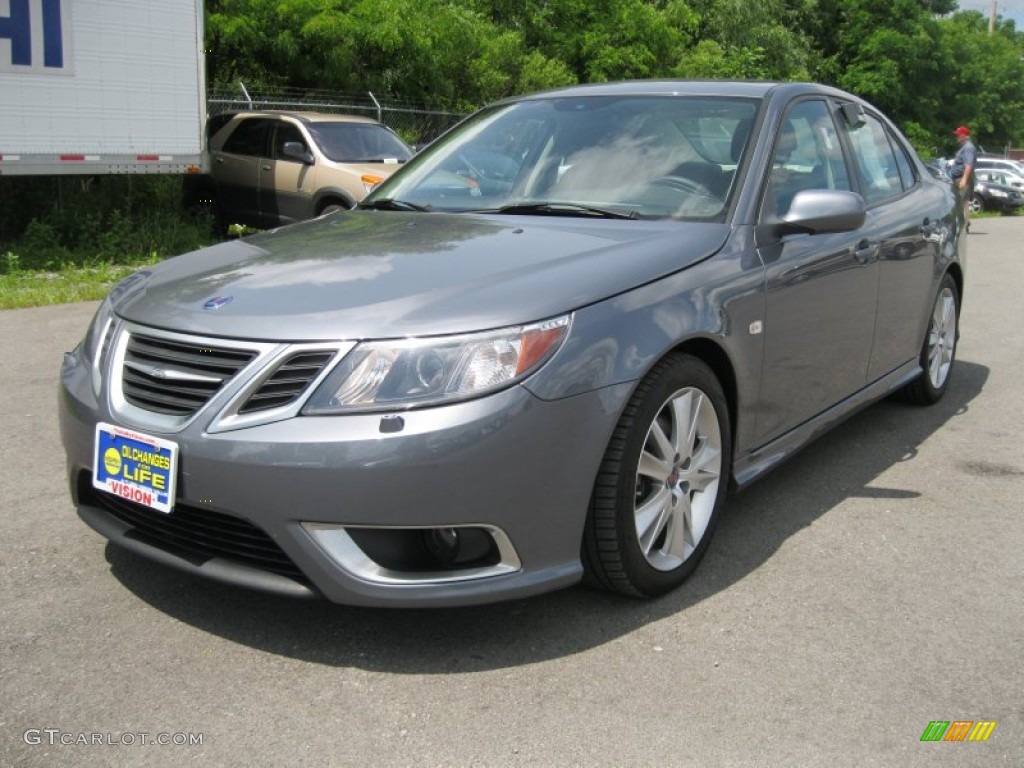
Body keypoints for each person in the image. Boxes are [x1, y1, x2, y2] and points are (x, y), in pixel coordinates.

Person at [950, 125, 977, 231]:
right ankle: (965, 221)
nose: (957, 137)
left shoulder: (968, 148)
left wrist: (964, 179)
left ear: (964, 136)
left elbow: (968, 165)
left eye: (958, 135)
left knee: (961, 201)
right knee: (962, 201)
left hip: (961, 178)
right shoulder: (964, 147)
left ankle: (964, 223)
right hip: (958, 177)